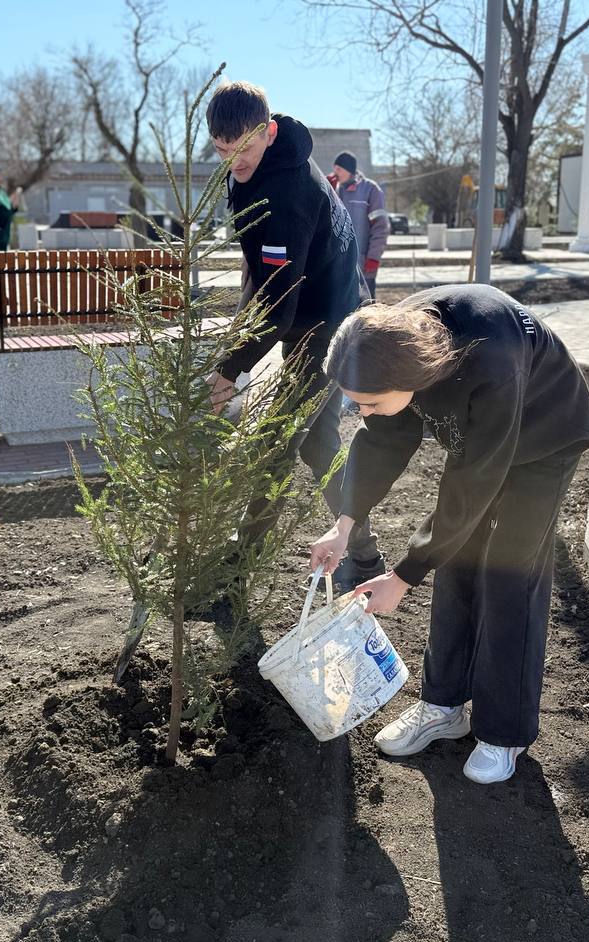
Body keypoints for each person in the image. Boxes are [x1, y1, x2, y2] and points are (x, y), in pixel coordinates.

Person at [308, 284, 589, 784]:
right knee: (458, 563)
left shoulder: (490, 358)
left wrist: (402, 576)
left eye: (369, 402)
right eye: (357, 404)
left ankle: (504, 733)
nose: (363, 412)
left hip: (544, 437)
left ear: (409, 379)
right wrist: (344, 524)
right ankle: (443, 706)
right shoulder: (388, 344)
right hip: (482, 439)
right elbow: (382, 439)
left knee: (509, 574)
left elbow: (473, 483)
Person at [206, 80, 385, 595]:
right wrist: (237, 343)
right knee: (320, 441)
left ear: (269, 131)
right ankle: (366, 553)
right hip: (304, 311)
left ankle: (237, 570)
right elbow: (257, 272)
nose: (233, 163)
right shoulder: (249, 170)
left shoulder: (289, 193)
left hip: (329, 322)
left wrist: (230, 367)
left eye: (242, 150)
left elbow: (279, 301)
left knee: (275, 442)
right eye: (221, 151)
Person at [332, 151, 389, 299]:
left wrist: (374, 257)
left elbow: (380, 227)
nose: (335, 172)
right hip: (338, 266)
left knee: (366, 310)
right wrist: (329, 193)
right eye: (334, 168)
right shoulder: (332, 188)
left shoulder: (370, 189)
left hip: (363, 265)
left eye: (339, 168)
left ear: (349, 170)